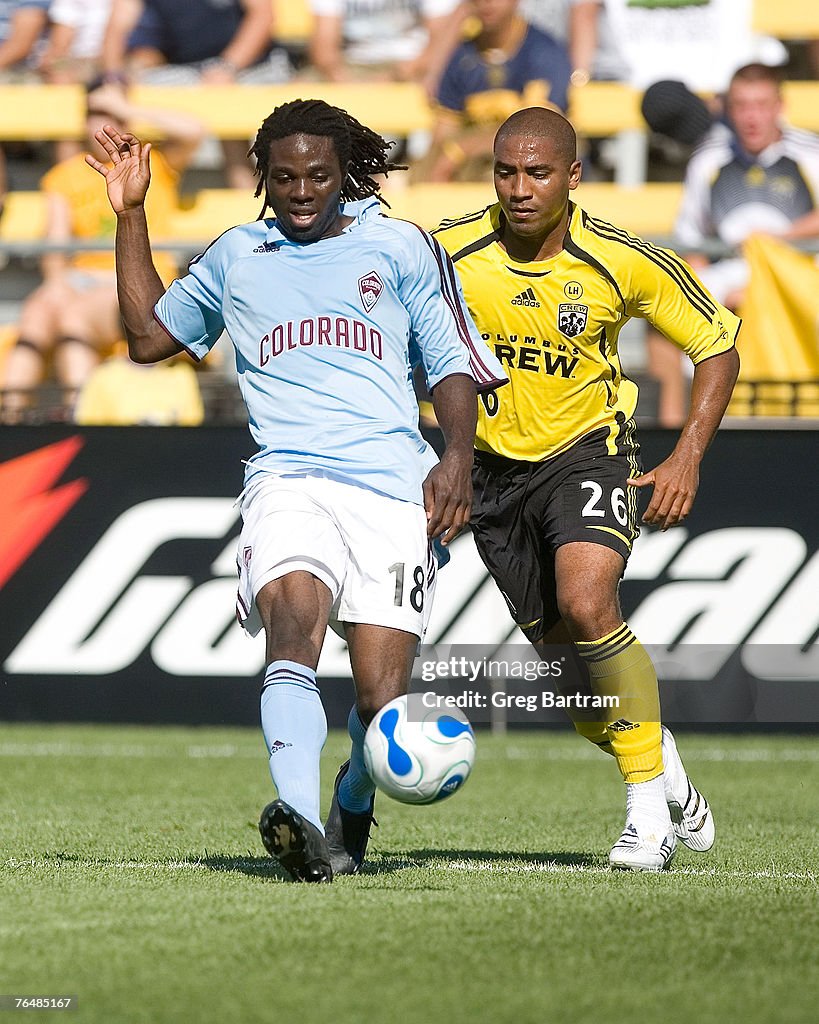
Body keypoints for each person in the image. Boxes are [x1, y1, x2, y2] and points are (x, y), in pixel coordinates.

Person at [86, 97, 507, 882]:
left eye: (317, 175)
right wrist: (132, 213)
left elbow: (449, 361)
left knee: (383, 705)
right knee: (293, 628)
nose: (302, 191)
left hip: (392, 488)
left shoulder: (402, 246)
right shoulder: (238, 254)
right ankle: (303, 827)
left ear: (344, 173)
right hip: (288, 479)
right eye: (285, 178)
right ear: (262, 180)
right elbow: (147, 339)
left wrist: (455, 460)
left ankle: (352, 795)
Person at [434, 106, 740, 871]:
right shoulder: (446, 252)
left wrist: (687, 456)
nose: (519, 188)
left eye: (537, 172)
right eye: (506, 171)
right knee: (580, 696)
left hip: (586, 454)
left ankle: (644, 816)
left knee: (587, 601)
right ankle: (659, 758)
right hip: (494, 477)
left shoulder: (621, 259)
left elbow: (718, 344)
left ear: (573, 175)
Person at [0, 81, 202, 421]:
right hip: (84, 279)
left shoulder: (153, 161)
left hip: (138, 278)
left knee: (73, 317)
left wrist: (127, 110)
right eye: (96, 113)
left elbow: (195, 130)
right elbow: (57, 244)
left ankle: (79, 418)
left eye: (112, 113)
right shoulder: (65, 176)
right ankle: (10, 416)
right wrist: (56, 283)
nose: (104, 123)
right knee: (37, 314)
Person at [649, 63, 819, 426]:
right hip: (726, 278)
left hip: (800, 278)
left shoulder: (809, 154)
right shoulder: (709, 159)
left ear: (779, 106)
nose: (751, 117)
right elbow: (691, 239)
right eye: (742, 105)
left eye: (760, 105)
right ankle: (675, 432)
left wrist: (773, 245)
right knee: (662, 314)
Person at [100, 0, 291, 187]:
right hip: (187, 70)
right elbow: (119, 26)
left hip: (254, 66)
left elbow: (263, 15)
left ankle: (247, 196)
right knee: (128, 99)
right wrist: (114, 78)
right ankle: (154, 194)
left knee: (228, 107)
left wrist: (228, 66)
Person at [422, 0, 571, 182]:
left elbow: (536, 133)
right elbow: (443, 133)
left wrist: (461, 149)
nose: (486, 3)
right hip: (466, 167)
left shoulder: (544, 53)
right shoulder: (461, 56)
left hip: (531, 169)